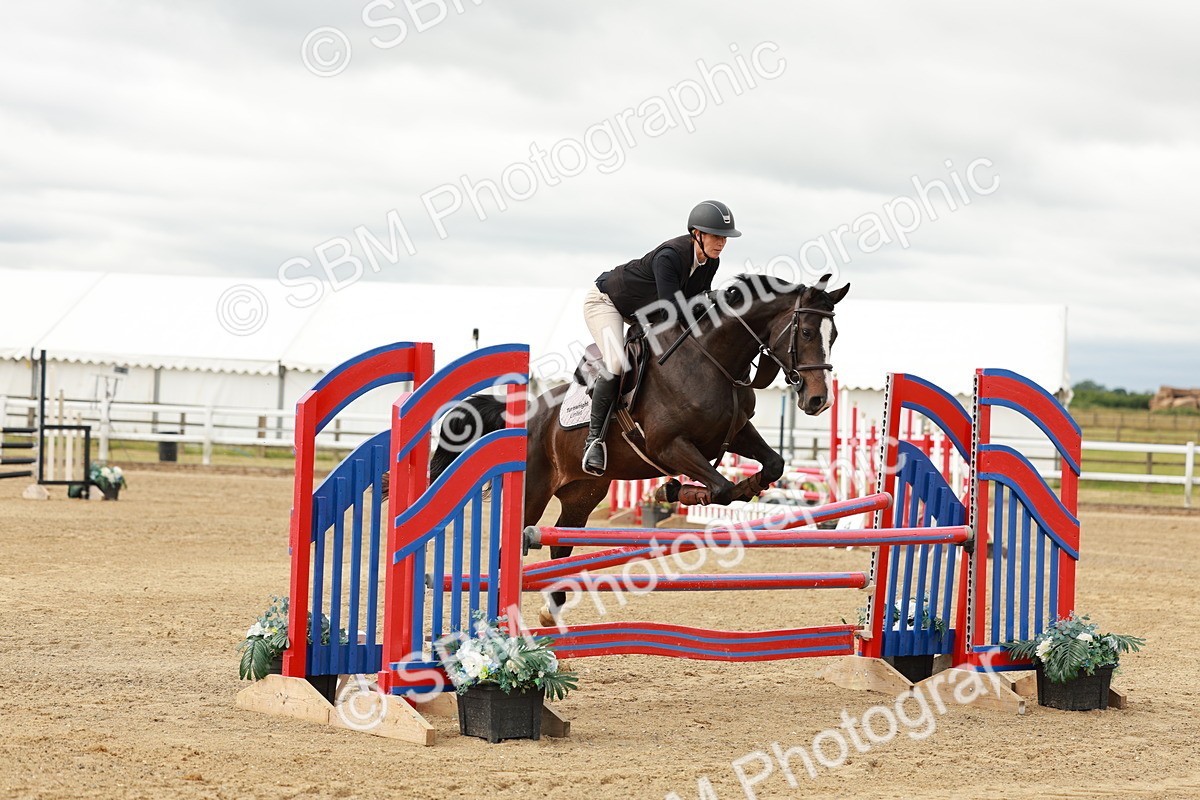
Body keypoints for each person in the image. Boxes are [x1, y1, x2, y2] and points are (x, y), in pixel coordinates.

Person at [580, 200, 741, 476]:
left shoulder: (709, 263)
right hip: (608, 303)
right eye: (715, 236)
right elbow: (671, 311)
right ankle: (594, 440)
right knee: (617, 361)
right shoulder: (671, 256)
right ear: (696, 235)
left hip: (645, 312)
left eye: (724, 237)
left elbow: (692, 313)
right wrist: (707, 298)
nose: (721, 243)